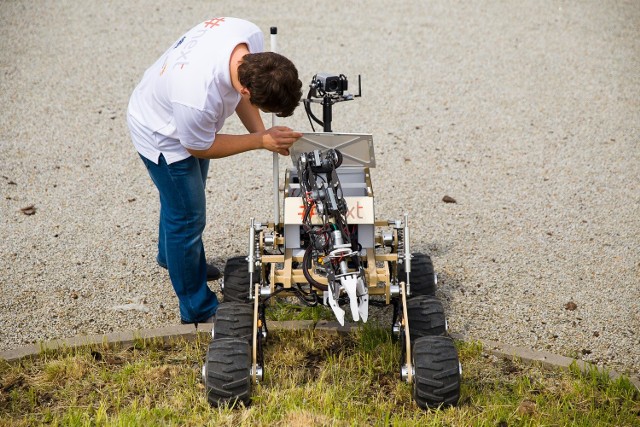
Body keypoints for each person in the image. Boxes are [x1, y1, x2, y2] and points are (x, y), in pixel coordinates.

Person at [127, 17, 303, 324]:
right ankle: (196, 307)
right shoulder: (197, 95)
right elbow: (198, 146)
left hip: (182, 115)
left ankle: (173, 258)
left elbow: (239, 98)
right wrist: (260, 140)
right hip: (161, 132)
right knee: (188, 215)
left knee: (180, 202)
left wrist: (264, 136)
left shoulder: (248, 38)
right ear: (247, 91)